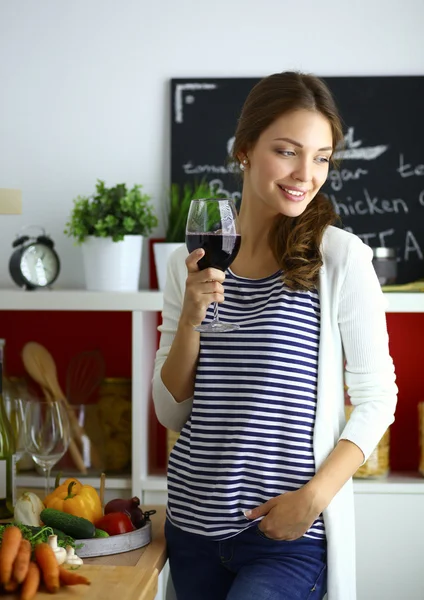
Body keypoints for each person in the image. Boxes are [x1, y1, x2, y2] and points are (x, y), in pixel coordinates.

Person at [152, 71, 397, 600]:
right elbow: (171, 411)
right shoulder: (187, 263)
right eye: (287, 151)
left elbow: (378, 398)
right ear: (244, 149)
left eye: (322, 157)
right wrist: (192, 317)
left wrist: (312, 499)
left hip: (286, 537)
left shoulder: (340, 258)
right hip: (193, 527)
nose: (306, 174)